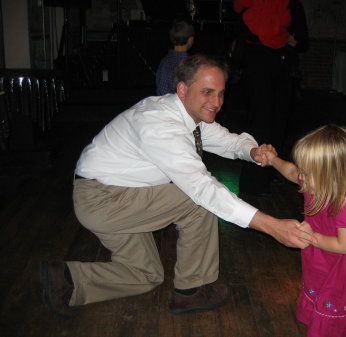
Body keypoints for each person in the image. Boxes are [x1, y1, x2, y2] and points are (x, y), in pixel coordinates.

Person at [40, 54, 316, 319]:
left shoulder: (188, 115)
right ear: (183, 89)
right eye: (207, 92)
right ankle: (192, 290)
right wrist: (272, 226)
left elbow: (229, 141)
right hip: (103, 199)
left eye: (220, 93)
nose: (216, 101)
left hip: (115, 195)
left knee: (146, 275)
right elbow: (201, 188)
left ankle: (67, 279)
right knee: (196, 200)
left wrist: (253, 152)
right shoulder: (160, 124)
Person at [262, 125, 346, 337]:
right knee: (319, 283)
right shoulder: (316, 183)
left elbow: (345, 246)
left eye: (308, 173)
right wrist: (273, 159)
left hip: (344, 264)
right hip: (321, 251)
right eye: (304, 170)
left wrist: (310, 236)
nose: (302, 177)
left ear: (333, 174)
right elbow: (292, 171)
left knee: (336, 295)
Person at [233, 0, 309, 197]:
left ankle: (260, 179)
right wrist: (286, 39)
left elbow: (239, 36)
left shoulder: (248, 4)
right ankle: (266, 177)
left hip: (258, 66)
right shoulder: (289, 5)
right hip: (275, 67)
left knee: (261, 123)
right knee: (273, 124)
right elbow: (302, 42)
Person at [155, 20, 195, 95]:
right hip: (177, 105)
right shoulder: (189, 64)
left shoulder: (164, 61)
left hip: (161, 104)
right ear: (190, 40)